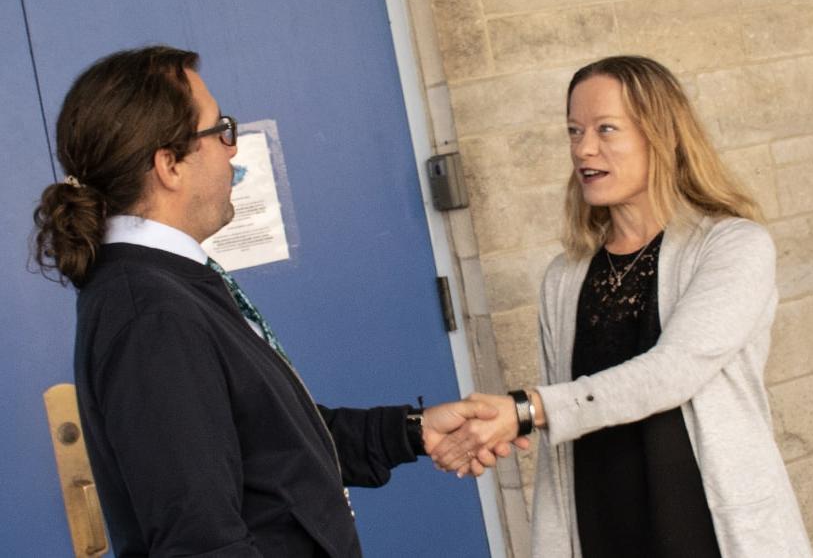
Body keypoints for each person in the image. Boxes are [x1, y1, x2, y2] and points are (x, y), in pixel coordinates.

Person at [32, 45, 516, 557]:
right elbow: (201, 541)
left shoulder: (170, 285)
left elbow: (273, 442)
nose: (231, 148)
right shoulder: (151, 315)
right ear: (169, 164)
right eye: (218, 131)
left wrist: (412, 431)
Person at [431, 55, 813, 557]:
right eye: (573, 131)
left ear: (664, 135)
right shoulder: (564, 278)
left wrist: (527, 408)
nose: (584, 148)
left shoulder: (732, 247)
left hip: (705, 526)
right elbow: (560, 441)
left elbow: (673, 370)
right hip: (602, 523)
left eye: (606, 129)